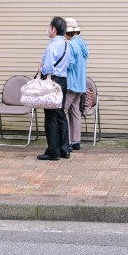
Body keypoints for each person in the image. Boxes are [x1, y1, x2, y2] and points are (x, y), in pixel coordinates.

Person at [37, 16, 70, 161]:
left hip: (52, 81)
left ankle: (53, 151)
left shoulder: (51, 46)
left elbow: (48, 67)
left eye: (49, 27)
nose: (47, 29)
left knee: (50, 116)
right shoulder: (67, 45)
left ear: (54, 29)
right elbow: (71, 63)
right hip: (63, 81)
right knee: (61, 115)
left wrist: (41, 68)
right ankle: (64, 149)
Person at [62, 17, 89, 151]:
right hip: (81, 83)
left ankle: (65, 140)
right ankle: (76, 140)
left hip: (71, 83)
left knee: (63, 110)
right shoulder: (82, 43)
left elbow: (70, 64)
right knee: (75, 111)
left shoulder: (71, 45)